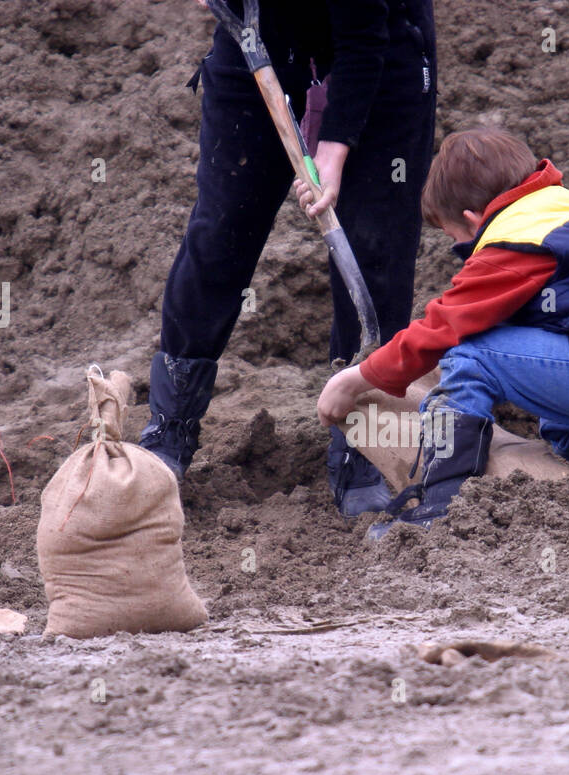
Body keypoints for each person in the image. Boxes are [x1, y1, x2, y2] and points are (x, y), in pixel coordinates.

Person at [311, 127, 569, 536]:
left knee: (470, 353)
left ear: (473, 219)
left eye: (456, 239)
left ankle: (443, 508)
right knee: (555, 362)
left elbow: (446, 326)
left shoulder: (514, 239)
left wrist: (356, 379)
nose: (464, 252)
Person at [141, 0, 436, 516]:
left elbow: (364, 38)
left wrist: (335, 145)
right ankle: (172, 424)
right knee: (222, 229)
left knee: (374, 247)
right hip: (255, 33)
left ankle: (362, 436)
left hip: (383, 47)